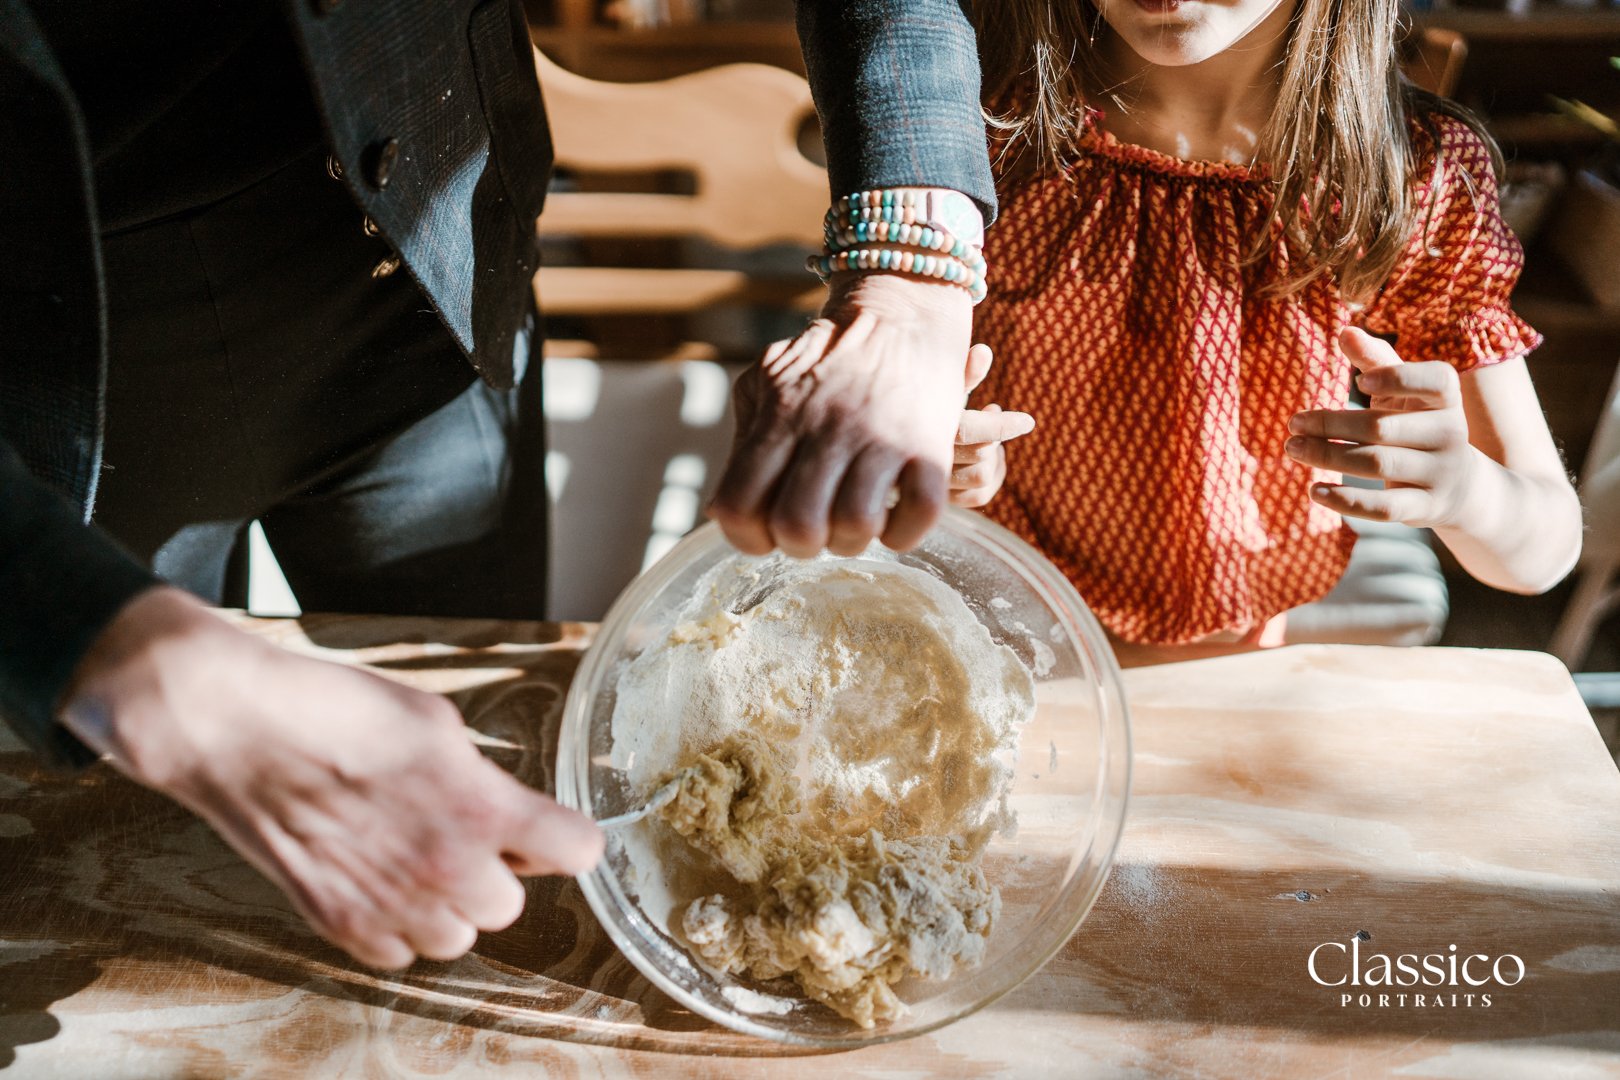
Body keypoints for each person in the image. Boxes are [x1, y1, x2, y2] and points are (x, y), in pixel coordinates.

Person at [0, 0, 997, 969]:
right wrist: (124, 660)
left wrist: (908, 277)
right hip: (54, 384)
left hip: (424, 285)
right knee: (124, 860)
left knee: (496, 770)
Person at [945, 0, 1582, 651]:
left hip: (1226, 652)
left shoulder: (1410, 171)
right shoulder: (973, 115)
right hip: (978, 605)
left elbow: (1542, 555)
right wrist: (931, 446)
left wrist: (1467, 491)